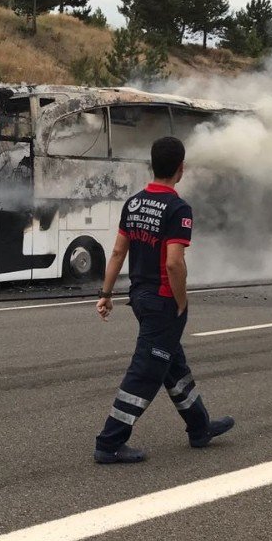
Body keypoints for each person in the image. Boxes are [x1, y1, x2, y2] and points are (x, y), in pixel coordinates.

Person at [93, 136, 234, 464]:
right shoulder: (178, 208)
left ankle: (200, 428)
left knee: (172, 363)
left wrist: (105, 293)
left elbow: (117, 251)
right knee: (146, 370)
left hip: (140, 297)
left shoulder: (133, 203)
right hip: (162, 300)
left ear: (152, 165)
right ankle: (109, 441)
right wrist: (181, 301)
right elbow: (173, 262)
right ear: (181, 169)